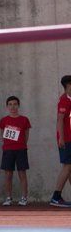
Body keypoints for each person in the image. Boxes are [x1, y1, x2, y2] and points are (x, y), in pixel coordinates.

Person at [0, 95, 31, 206]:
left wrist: (21, 144)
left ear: (18, 105)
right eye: (10, 104)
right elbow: (2, 134)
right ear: (7, 106)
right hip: (8, 150)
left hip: (21, 150)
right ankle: (8, 198)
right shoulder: (4, 120)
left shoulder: (24, 120)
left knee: (22, 173)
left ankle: (24, 197)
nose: (13, 106)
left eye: (15, 104)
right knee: (8, 174)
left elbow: (26, 135)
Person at [50, 75, 71, 207]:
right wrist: (61, 138)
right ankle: (56, 196)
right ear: (67, 86)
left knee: (70, 168)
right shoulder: (64, 100)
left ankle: (56, 196)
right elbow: (60, 120)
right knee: (67, 166)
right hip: (67, 139)